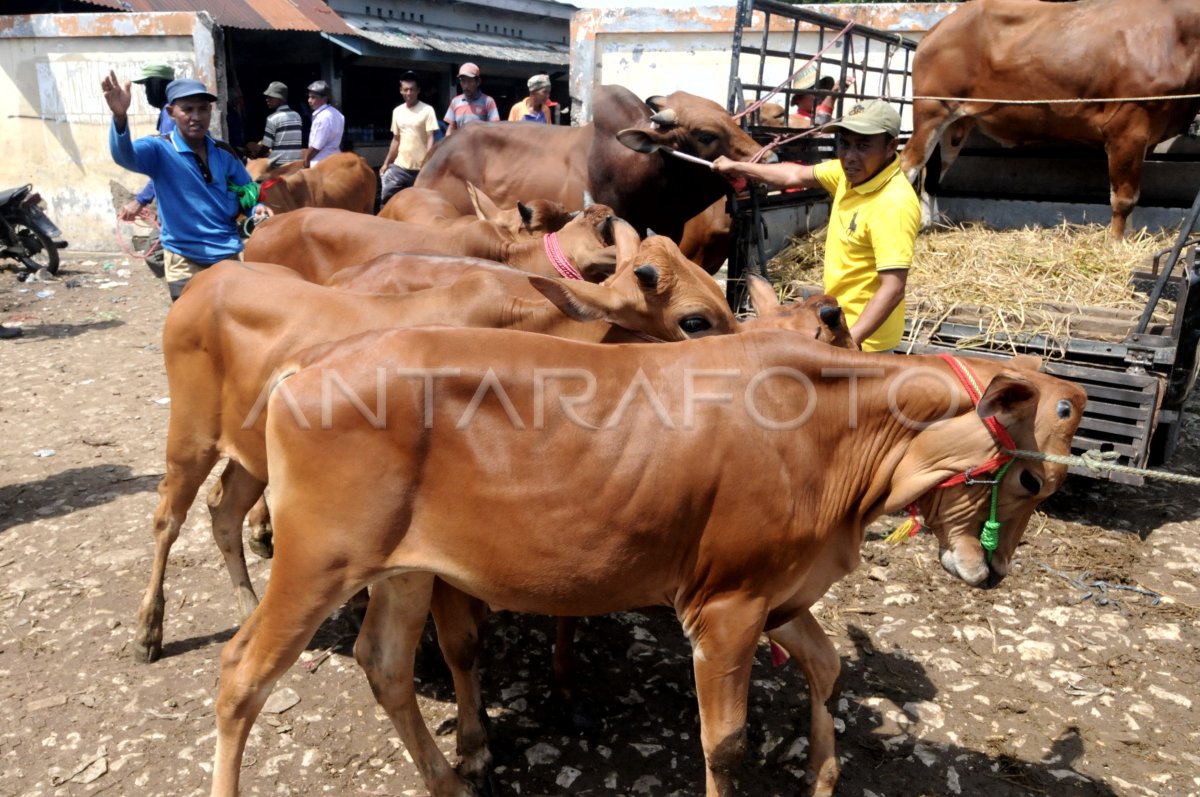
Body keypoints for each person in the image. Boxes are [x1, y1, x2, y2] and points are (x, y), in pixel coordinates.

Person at [713, 100, 920, 352]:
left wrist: (848, 344)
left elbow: (893, 288)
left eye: (863, 146)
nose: (850, 157)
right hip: (834, 322)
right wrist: (738, 167)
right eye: (844, 144)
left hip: (865, 340)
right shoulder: (848, 174)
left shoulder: (893, 203)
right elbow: (793, 175)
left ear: (891, 147)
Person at [103, 73, 257, 301]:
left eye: (203, 109)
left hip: (226, 253)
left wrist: (258, 208)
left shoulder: (224, 151)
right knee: (192, 328)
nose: (196, 116)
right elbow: (124, 156)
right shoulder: (158, 149)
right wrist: (119, 117)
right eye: (188, 109)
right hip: (184, 258)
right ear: (170, 112)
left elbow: (248, 191)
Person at [117, 62, 176, 223]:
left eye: (147, 86)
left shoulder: (170, 114)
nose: (146, 93)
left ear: (156, 85)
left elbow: (167, 164)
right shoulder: (170, 111)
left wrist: (140, 201)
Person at [379, 72, 439, 204]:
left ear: (418, 91)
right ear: (401, 91)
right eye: (405, 89)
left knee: (421, 205)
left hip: (420, 170)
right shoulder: (397, 111)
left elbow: (431, 138)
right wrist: (386, 163)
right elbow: (396, 139)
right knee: (387, 200)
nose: (409, 93)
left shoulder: (427, 110)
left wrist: (427, 163)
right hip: (400, 168)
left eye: (412, 89)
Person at [248, 81, 302, 168]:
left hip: (279, 166)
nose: (267, 99)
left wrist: (257, 157)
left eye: (271, 97)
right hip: (296, 164)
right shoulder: (297, 116)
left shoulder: (272, 118)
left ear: (280, 99)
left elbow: (266, 146)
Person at [443, 62, 498, 136]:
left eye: (469, 81)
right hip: (460, 146)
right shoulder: (455, 101)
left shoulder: (488, 101)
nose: (466, 85)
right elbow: (451, 128)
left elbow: (495, 129)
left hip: (480, 146)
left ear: (478, 82)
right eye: (463, 81)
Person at [302, 80, 344, 167]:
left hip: (320, 163)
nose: (309, 100)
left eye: (313, 97)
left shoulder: (323, 117)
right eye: (309, 97)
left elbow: (316, 146)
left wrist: (306, 160)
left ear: (324, 98)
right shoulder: (338, 114)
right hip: (336, 160)